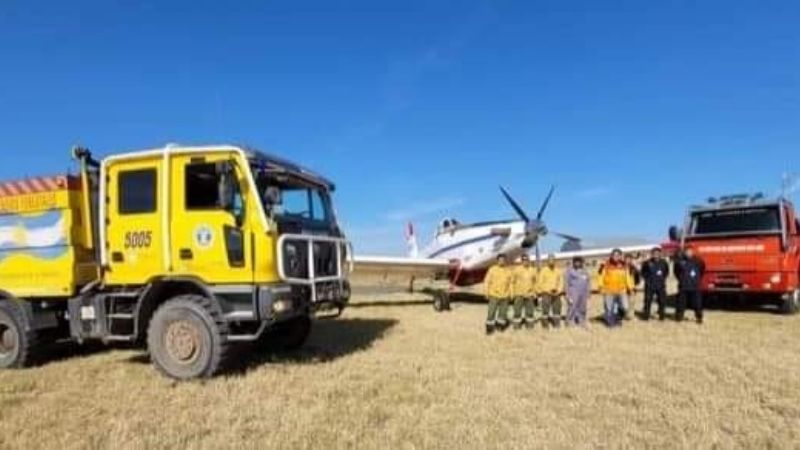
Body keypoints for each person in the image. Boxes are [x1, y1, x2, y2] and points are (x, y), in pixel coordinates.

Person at [601, 249, 634, 327]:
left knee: (625, 307)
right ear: (611, 256)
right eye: (614, 255)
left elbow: (627, 277)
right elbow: (600, 276)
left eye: (618, 255)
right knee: (609, 308)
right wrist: (601, 287)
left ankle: (618, 318)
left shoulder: (624, 265)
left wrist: (630, 287)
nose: (616, 257)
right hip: (609, 290)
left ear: (620, 256)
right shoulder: (605, 264)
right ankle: (611, 323)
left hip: (621, 290)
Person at [674, 247, 706, 324]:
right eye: (687, 252)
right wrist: (681, 279)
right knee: (681, 303)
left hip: (695, 286)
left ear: (693, 252)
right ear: (684, 252)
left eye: (690, 252)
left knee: (697, 303)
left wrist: (696, 279)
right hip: (683, 286)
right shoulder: (680, 261)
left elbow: (702, 270)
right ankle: (679, 317)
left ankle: (699, 317)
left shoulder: (698, 261)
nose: (688, 253)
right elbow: (676, 272)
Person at [484, 253, 513, 334]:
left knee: (502, 314)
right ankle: (489, 329)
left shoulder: (508, 271)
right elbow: (487, 282)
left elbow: (510, 283)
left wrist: (511, 294)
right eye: (500, 260)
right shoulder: (492, 269)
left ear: (505, 261)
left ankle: (500, 327)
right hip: (494, 295)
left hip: (505, 296)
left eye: (503, 260)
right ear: (497, 261)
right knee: (491, 313)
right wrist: (486, 293)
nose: (502, 261)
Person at [640, 247, 670, 320]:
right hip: (650, 285)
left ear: (660, 254)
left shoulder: (664, 262)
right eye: (654, 253)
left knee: (662, 301)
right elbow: (643, 272)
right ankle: (646, 316)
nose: (656, 254)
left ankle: (662, 316)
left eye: (657, 253)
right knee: (648, 301)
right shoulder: (647, 263)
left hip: (660, 285)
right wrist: (647, 280)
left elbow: (666, 272)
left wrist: (662, 279)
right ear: (652, 254)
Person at [537, 255, 564, 328]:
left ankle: (556, 324)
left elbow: (561, 282)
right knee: (545, 310)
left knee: (557, 310)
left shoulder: (558, 271)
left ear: (555, 261)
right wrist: (546, 291)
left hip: (556, 293)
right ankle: (545, 325)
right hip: (546, 293)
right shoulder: (543, 271)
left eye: (553, 260)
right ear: (547, 261)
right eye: (549, 260)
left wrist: (559, 291)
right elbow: (540, 283)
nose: (551, 262)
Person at [512, 254, 538, 330]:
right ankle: (516, 326)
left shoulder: (533, 270)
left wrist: (535, 292)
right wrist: (513, 293)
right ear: (521, 260)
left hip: (529, 294)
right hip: (519, 294)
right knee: (517, 312)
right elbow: (512, 282)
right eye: (524, 259)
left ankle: (529, 326)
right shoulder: (516, 270)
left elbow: (536, 282)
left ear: (529, 260)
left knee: (530, 312)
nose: (525, 261)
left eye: (526, 259)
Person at [565, 256, 591, 327]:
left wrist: (588, 293)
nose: (577, 263)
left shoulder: (585, 271)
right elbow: (566, 283)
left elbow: (588, 282)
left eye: (579, 261)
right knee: (572, 307)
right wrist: (567, 294)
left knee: (582, 307)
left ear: (581, 262)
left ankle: (581, 320)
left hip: (583, 293)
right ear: (573, 262)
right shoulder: (570, 271)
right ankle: (570, 321)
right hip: (573, 292)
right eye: (576, 261)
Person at [622, 253, 641, 320]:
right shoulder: (621, 267)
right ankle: (626, 315)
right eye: (626, 259)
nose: (628, 260)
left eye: (629, 259)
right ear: (624, 259)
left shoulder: (633, 267)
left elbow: (638, 274)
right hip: (623, 288)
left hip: (632, 287)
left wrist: (635, 266)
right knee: (624, 303)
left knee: (632, 302)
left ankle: (632, 316)